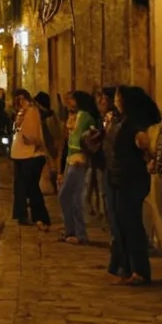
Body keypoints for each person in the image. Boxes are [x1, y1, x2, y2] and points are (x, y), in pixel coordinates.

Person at [107, 85, 161, 286]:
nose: (116, 101)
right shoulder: (124, 121)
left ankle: (139, 270)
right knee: (123, 223)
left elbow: (144, 143)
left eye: (118, 98)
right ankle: (128, 267)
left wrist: (148, 156)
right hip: (122, 179)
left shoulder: (135, 124)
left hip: (132, 179)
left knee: (131, 224)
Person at [58, 91, 100, 245]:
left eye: (71, 100)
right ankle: (71, 230)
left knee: (72, 197)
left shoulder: (85, 116)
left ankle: (79, 233)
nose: (68, 102)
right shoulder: (75, 116)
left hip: (79, 161)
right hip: (71, 160)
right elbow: (70, 143)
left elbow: (89, 138)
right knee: (68, 196)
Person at [10, 89, 52, 230]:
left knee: (31, 187)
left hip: (31, 155)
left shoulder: (32, 112)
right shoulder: (22, 112)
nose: (20, 102)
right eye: (17, 99)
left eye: (22, 99)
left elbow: (33, 135)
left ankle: (41, 217)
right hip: (20, 154)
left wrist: (24, 134)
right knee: (21, 187)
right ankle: (21, 214)